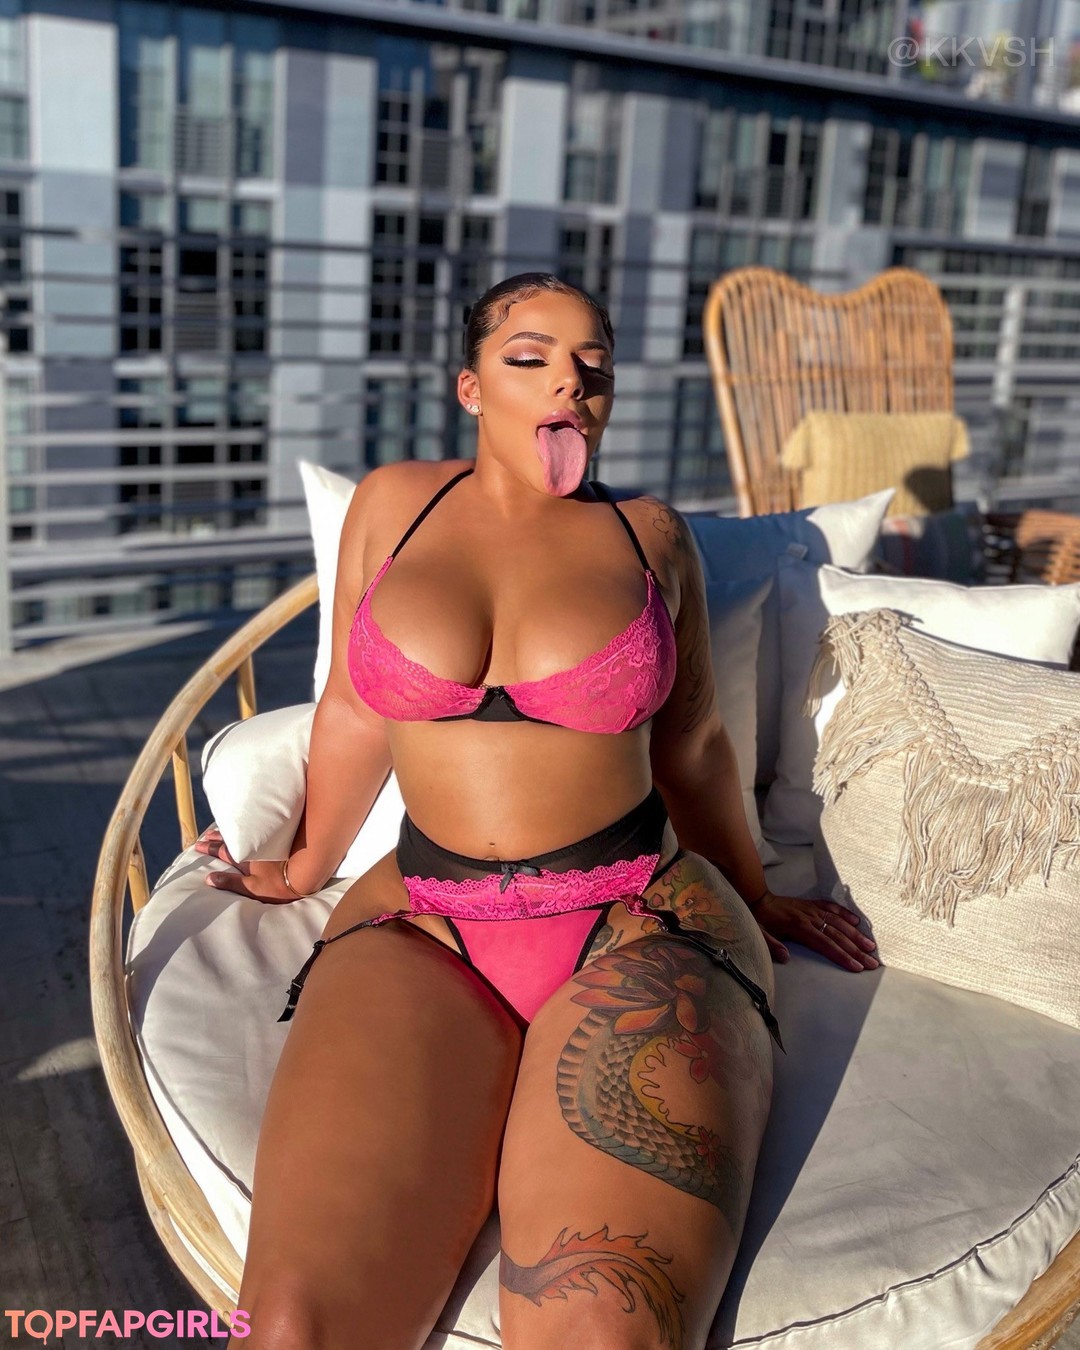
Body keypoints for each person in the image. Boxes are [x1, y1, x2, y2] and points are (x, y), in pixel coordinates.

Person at [197, 273, 878, 1350]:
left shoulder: (649, 535)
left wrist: (757, 895)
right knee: (289, 1329)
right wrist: (306, 861)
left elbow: (694, 742)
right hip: (423, 921)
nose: (571, 379)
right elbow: (354, 709)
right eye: (531, 358)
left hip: (639, 922)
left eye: (593, 365)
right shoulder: (393, 505)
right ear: (471, 387)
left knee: (604, 1334)